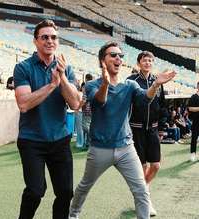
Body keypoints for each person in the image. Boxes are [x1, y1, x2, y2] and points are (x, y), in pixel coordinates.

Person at [69, 42, 176, 219]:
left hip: (126, 147)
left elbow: (144, 99)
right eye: (113, 55)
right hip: (100, 149)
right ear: (102, 60)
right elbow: (100, 101)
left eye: (120, 56)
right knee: (84, 186)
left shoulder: (130, 85)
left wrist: (156, 84)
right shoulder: (91, 85)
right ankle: (73, 214)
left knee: (141, 190)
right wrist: (105, 82)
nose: (118, 58)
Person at [13, 19, 80, 219]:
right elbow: (23, 103)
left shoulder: (66, 69)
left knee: (66, 192)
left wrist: (63, 79)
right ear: (35, 41)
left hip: (59, 139)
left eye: (53, 37)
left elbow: (76, 103)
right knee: (35, 191)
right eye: (44, 37)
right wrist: (51, 85)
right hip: (32, 140)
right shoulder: (23, 68)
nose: (50, 41)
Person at [127, 51, 166, 216]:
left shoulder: (158, 81)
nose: (148, 62)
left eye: (150, 60)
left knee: (156, 165)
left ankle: (143, 191)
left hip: (153, 129)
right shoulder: (131, 81)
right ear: (138, 63)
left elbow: (163, 105)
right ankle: (145, 199)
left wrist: (162, 127)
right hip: (136, 129)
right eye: (145, 60)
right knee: (142, 167)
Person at [81, 73, 93, 148]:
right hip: (92, 109)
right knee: (88, 126)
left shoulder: (87, 86)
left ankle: (89, 141)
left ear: (86, 79)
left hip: (87, 109)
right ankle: (87, 143)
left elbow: (84, 99)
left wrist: (80, 107)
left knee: (85, 127)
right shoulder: (94, 85)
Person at [188, 81, 199, 162]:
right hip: (196, 121)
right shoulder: (194, 97)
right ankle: (193, 154)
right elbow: (190, 108)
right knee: (194, 138)